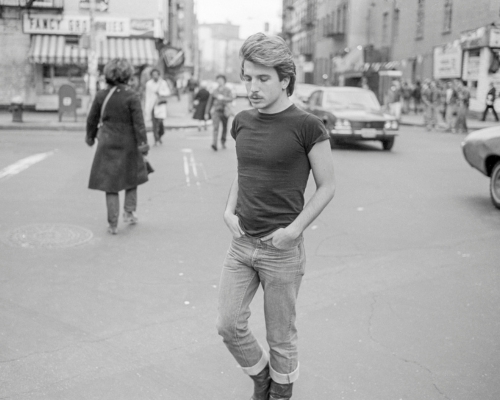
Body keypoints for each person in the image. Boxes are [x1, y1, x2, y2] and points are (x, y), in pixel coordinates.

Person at [216, 33, 335, 400]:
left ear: (284, 79)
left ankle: (280, 394)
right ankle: (264, 379)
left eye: (262, 78)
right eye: (248, 77)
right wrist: (228, 209)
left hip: (281, 250)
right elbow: (245, 170)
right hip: (242, 245)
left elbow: (327, 186)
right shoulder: (241, 122)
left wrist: (293, 230)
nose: (252, 87)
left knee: (281, 338)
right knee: (228, 325)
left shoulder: (308, 126)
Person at [85, 58, 149, 235]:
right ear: (128, 74)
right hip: (129, 143)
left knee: (110, 184)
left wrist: (90, 138)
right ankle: (129, 213)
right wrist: (143, 146)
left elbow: (91, 119)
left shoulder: (101, 95)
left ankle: (112, 224)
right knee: (131, 178)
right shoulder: (132, 95)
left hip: (107, 142)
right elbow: (139, 124)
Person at [205, 74, 234, 151]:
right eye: (218, 80)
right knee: (215, 128)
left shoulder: (228, 90)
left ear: (224, 81)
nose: (219, 81)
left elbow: (231, 98)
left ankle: (223, 141)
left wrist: (223, 98)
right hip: (216, 111)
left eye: (221, 80)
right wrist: (206, 113)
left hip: (225, 111)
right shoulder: (214, 91)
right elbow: (209, 102)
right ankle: (214, 144)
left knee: (224, 128)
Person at [145, 69, 171, 145]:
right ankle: (156, 138)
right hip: (152, 105)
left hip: (160, 105)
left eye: (156, 74)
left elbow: (167, 92)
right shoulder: (149, 84)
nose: (155, 76)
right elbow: (148, 96)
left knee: (160, 123)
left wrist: (160, 92)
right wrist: (147, 107)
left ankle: (160, 135)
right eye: (153, 75)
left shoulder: (163, 83)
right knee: (154, 124)